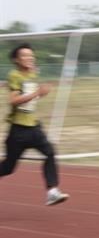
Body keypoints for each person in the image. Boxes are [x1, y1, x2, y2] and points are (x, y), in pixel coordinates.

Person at [0, 43, 69, 206]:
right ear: (16, 60)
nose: (30, 58)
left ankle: (52, 191)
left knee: (50, 153)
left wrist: (42, 93)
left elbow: (30, 97)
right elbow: (13, 100)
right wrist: (37, 92)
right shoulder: (14, 75)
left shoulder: (32, 74)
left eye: (31, 55)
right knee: (8, 167)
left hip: (34, 127)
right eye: (25, 55)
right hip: (18, 130)